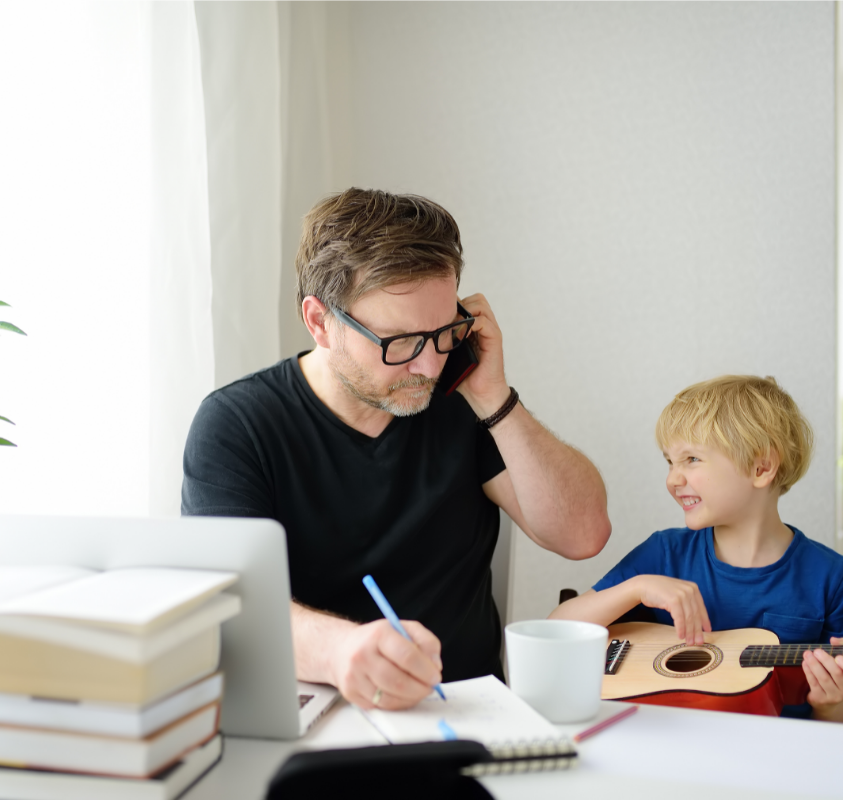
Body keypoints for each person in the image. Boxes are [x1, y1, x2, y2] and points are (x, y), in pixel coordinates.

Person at [182, 188, 611, 711]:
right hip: (318, 717)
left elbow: (583, 534)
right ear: (320, 321)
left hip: (466, 714)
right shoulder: (238, 424)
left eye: (445, 332)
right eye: (400, 342)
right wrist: (342, 649)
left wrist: (495, 396)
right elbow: (233, 605)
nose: (429, 367)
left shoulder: (461, 401)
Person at [550, 375, 843, 722]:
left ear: (761, 467)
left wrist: (829, 703)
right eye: (670, 462)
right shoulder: (663, 553)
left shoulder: (831, 578)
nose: (673, 479)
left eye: (691, 459)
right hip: (666, 745)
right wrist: (637, 588)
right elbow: (556, 630)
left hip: (771, 760)